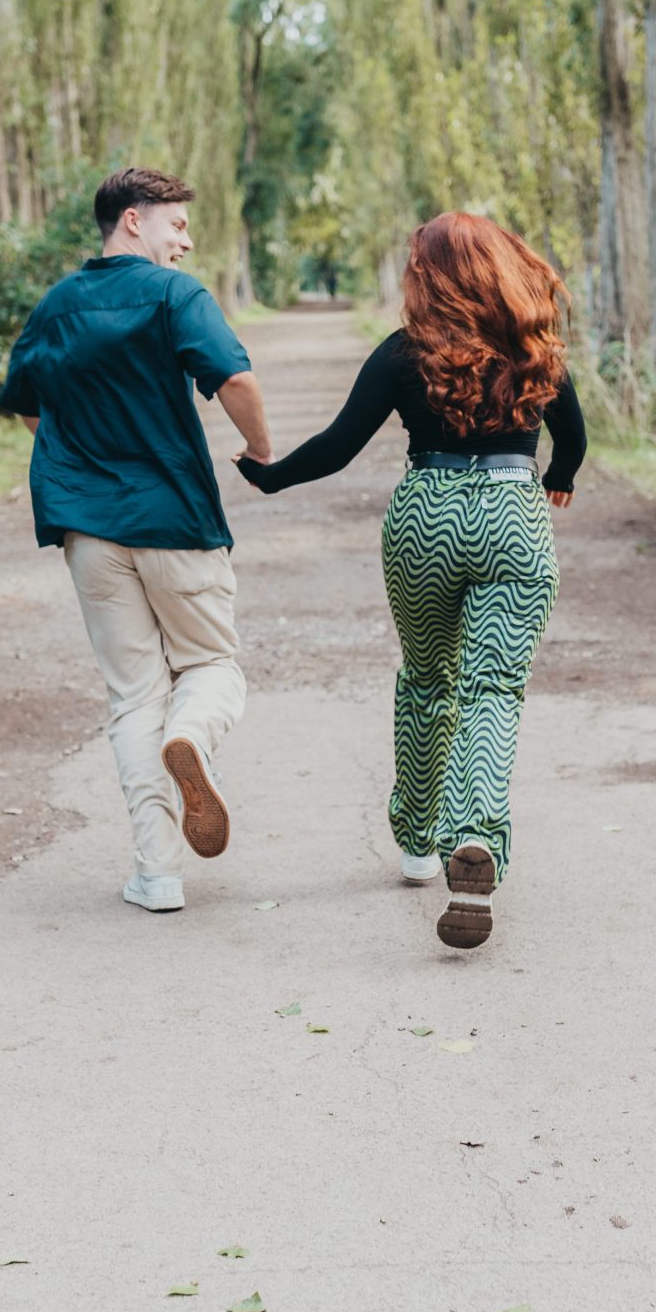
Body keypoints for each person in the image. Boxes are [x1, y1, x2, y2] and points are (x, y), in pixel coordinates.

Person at [237, 212, 583, 950]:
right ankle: (477, 833)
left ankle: (420, 841)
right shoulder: (533, 347)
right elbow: (574, 439)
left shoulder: (404, 352)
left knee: (428, 681)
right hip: (513, 515)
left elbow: (338, 446)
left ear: (428, 278)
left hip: (426, 516)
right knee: (493, 689)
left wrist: (270, 477)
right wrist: (558, 475)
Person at [0, 167, 273, 914]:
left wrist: (79, 452)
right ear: (132, 220)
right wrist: (260, 450)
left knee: (132, 697)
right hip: (173, 518)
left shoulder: (55, 305)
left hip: (88, 529)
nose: (186, 240)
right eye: (176, 224)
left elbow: (27, 404)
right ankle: (193, 736)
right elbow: (235, 380)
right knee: (212, 665)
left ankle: (157, 875)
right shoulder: (174, 295)